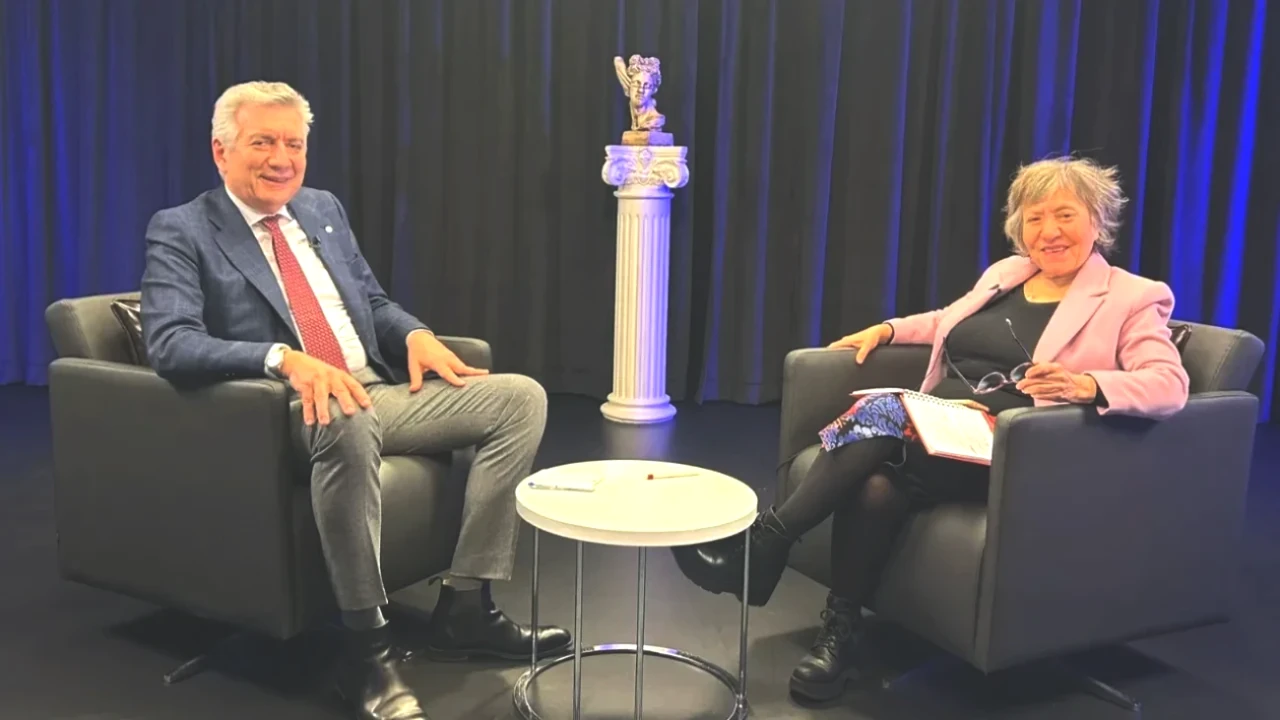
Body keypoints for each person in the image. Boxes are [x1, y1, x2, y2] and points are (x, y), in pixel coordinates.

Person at [671, 156, 1190, 702]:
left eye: (1065, 215)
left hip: (1018, 447)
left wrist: (1087, 384)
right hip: (942, 430)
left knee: (885, 412)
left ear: (1097, 219)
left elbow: (1169, 383)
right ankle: (839, 636)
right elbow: (947, 320)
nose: (1050, 231)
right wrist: (889, 329)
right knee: (875, 486)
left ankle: (762, 546)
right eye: (1035, 218)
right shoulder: (1008, 274)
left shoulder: (1132, 296)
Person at [140, 81, 571, 720]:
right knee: (342, 413)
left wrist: (416, 334)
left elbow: (370, 301)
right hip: (281, 410)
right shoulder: (183, 228)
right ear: (221, 151)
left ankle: (465, 607)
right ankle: (366, 648)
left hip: (374, 391)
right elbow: (170, 342)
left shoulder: (321, 209)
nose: (281, 159)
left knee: (519, 399)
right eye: (263, 142)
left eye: (294, 144)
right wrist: (282, 359)